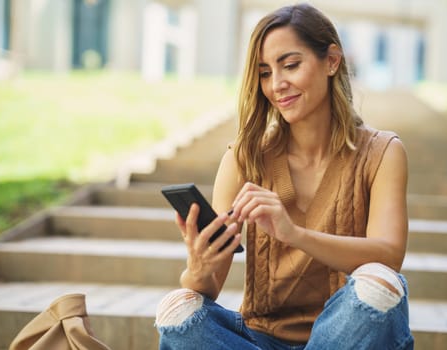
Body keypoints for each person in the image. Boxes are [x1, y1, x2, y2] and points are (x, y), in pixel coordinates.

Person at [155, 3, 413, 349]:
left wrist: (294, 234)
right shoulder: (244, 157)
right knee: (178, 312)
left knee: (380, 284)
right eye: (264, 72)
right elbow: (209, 288)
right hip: (261, 339)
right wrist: (198, 268)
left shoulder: (383, 153)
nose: (277, 84)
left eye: (290, 65)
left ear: (332, 61)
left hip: (347, 335)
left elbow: (389, 255)